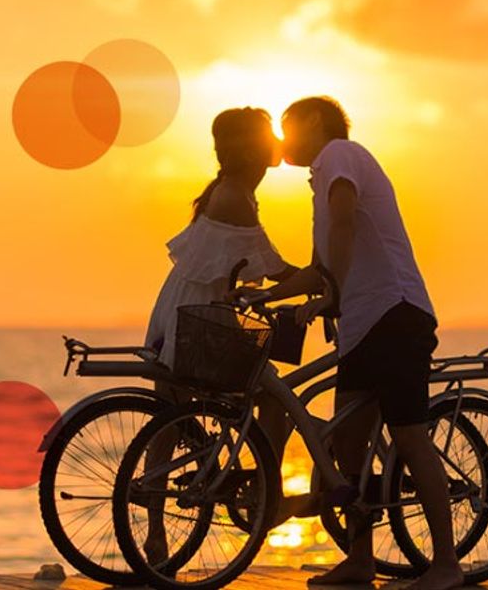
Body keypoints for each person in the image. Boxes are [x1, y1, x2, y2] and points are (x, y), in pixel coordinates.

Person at [233, 96, 462, 590]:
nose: (282, 140)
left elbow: (343, 222)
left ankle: (446, 563)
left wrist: (330, 291)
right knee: (350, 445)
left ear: (314, 121)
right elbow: (320, 265)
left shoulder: (339, 153)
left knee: (408, 433)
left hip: (395, 313)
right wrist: (273, 293)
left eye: (288, 126)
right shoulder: (323, 178)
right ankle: (361, 558)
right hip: (362, 324)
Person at [140, 107, 299, 565]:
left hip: (185, 316)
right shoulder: (235, 198)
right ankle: (266, 492)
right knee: (275, 400)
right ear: (251, 147)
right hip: (202, 323)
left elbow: (242, 269)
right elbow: (273, 266)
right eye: (270, 134)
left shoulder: (231, 191)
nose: (277, 140)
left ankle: (155, 535)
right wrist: (327, 279)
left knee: (168, 419)